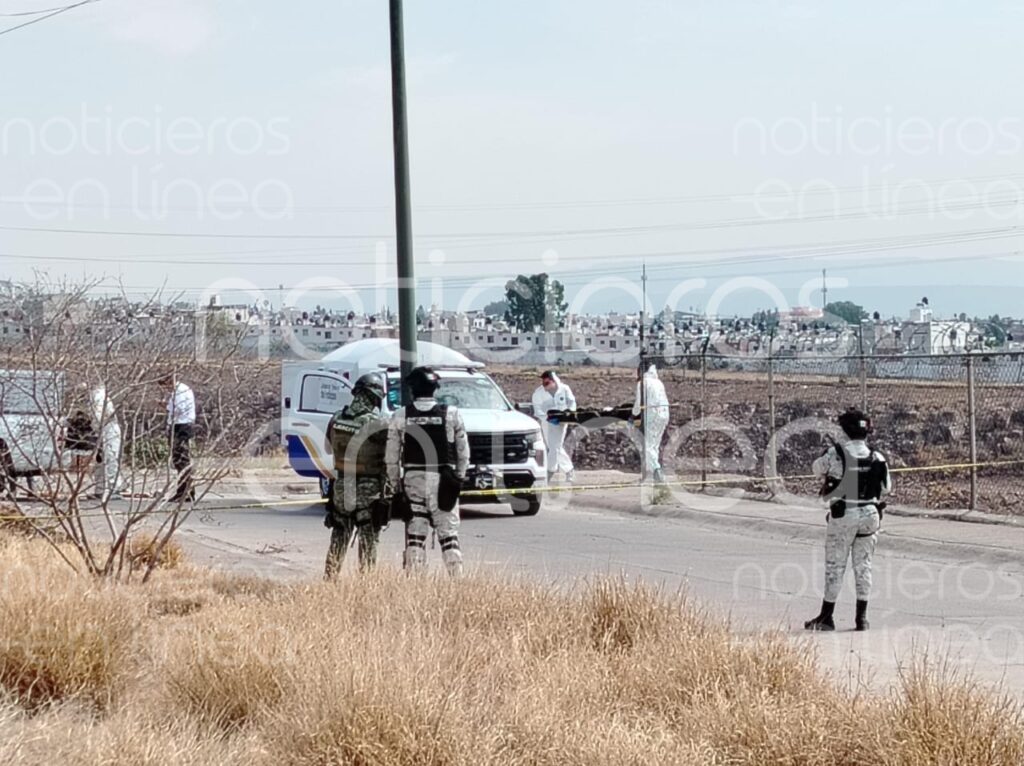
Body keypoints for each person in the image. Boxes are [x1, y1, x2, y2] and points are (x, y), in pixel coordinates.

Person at [805, 408, 891, 632]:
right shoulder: (877, 457)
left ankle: (826, 616)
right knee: (864, 566)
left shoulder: (835, 454)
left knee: (835, 566)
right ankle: (861, 619)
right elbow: (886, 488)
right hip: (870, 515)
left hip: (844, 515)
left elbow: (816, 469)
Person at [385, 366, 469, 576]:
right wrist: (458, 479)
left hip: (414, 479)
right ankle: (459, 584)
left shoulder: (401, 415)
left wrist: (396, 487)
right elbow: (463, 452)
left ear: (413, 390)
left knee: (415, 535)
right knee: (449, 535)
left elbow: (391, 458)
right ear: (434, 389)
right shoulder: (451, 414)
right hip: (443, 479)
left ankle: (415, 584)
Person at [323, 372, 390, 577]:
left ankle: (329, 581)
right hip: (368, 490)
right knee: (368, 539)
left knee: (339, 535)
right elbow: (391, 456)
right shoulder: (378, 424)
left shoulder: (336, 418)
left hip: (342, 486)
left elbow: (328, 448)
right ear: (374, 397)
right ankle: (366, 585)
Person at [531, 370, 576, 482]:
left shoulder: (564, 389)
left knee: (555, 447)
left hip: (561, 423)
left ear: (554, 381)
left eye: (547, 383)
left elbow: (572, 403)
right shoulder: (538, 393)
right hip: (547, 423)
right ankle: (568, 469)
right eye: (543, 383)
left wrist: (569, 414)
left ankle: (551, 471)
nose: (545, 386)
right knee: (554, 447)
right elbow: (537, 410)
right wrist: (547, 418)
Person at [632, 363, 670, 483]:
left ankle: (657, 472)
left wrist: (634, 414)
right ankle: (651, 473)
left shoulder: (643, 383)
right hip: (664, 414)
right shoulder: (658, 382)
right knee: (654, 445)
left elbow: (638, 405)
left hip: (652, 416)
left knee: (648, 446)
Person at [161, 373, 196, 502]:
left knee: (182, 460)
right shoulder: (176, 392)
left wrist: (166, 407)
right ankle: (184, 490)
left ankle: (185, 491)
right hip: (176, 424)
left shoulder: (180, 391)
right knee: (178, 461)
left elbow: (178, 408)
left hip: (182, 426)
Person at [90, 385, 124, 500]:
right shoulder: (94, 395)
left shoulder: (98, 395)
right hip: (100, 430)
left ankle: (112, 488)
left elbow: (99, 416)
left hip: (108, 429)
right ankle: (100, 488)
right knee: (100, 461)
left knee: (111, 458)